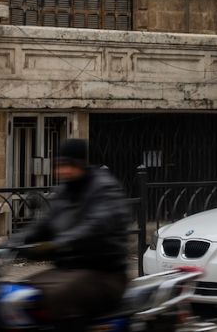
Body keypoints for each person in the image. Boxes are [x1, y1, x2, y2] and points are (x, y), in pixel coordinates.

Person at [11, 138, 131, 332]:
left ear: (82, 163)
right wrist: (12, 243)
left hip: (105, 273)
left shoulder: (104, 188)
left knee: (60, 296)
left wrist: (59, 243)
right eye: (60, 165)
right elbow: (44, 224)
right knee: (23, 295)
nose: (63, 171)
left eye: (69, 165)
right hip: (68, 270)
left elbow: (95, 225)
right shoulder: (63, 192)